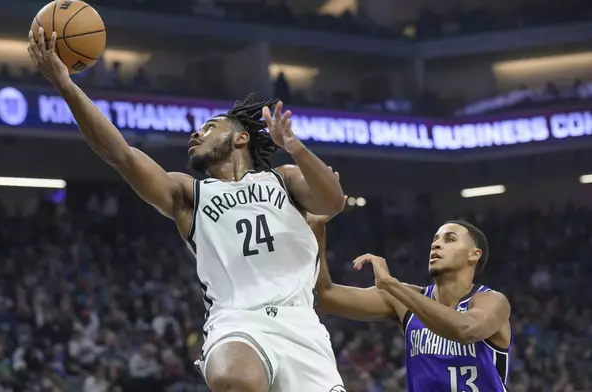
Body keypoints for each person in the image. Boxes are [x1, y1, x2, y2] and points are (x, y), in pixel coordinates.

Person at [27, 28, 346, 392]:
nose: (196, 135)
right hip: (238, 321)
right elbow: (121, 154)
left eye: (209, 128)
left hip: (302, 326)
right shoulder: (188, 194)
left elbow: (333, 202)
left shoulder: (284, 179)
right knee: (235, 378)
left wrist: (295, 147)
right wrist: (66, 86)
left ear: (241, 137)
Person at [308, 207, 512, 392]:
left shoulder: (492, 301)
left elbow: (466, 330)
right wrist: (317, 229)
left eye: (449, 239)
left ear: (474, 255)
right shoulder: (404, 299)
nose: (436, 245)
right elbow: (325, 296)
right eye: (435, 240)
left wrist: (391, 284)